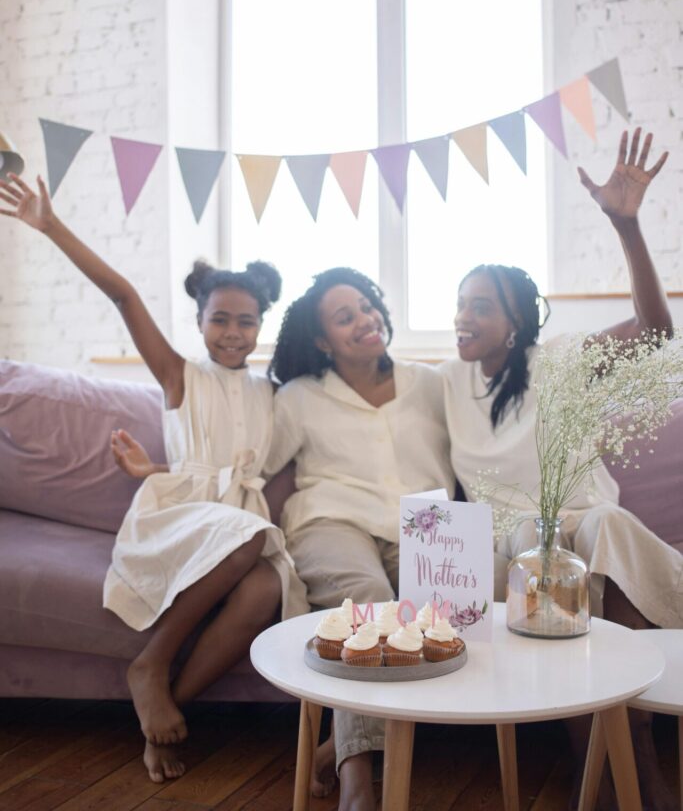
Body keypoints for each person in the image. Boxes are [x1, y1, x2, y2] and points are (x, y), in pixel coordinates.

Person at [0, 172, 307, 784]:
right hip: (181, 518)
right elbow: (123, 296)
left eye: (246, 322)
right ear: (199, 322)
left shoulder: (273, 393)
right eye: (220, 319)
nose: (232, 333)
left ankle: (163, 709)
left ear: (261, 327)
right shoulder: (178, 376)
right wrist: (51, 225)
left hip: (234, 520)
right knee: (248, 533)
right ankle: (153, 660)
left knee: (265, 588)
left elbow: (239, 470)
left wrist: (154, 465)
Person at [439, 128, 681, 809]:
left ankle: (633, 762)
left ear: (516, 322)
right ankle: (603, 768)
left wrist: (623, 226)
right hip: (517, 540)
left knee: (602, 527)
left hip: (591, 527)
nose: (462, 318)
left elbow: (656, 334)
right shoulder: (441, 384)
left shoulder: (560, 363)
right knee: (534, 551)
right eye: (458, 303)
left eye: (478, 306)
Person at [266, 266, 453, 811]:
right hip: (332, 520)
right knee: (369, 608)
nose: (364, 320)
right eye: (344, 317)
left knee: (479, 595)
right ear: (323, 340)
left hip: (424, 523)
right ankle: (357, 777)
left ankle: (334, 747)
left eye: (368, 306)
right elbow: (256, 468)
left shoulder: (431, 382)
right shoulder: (299, 396)